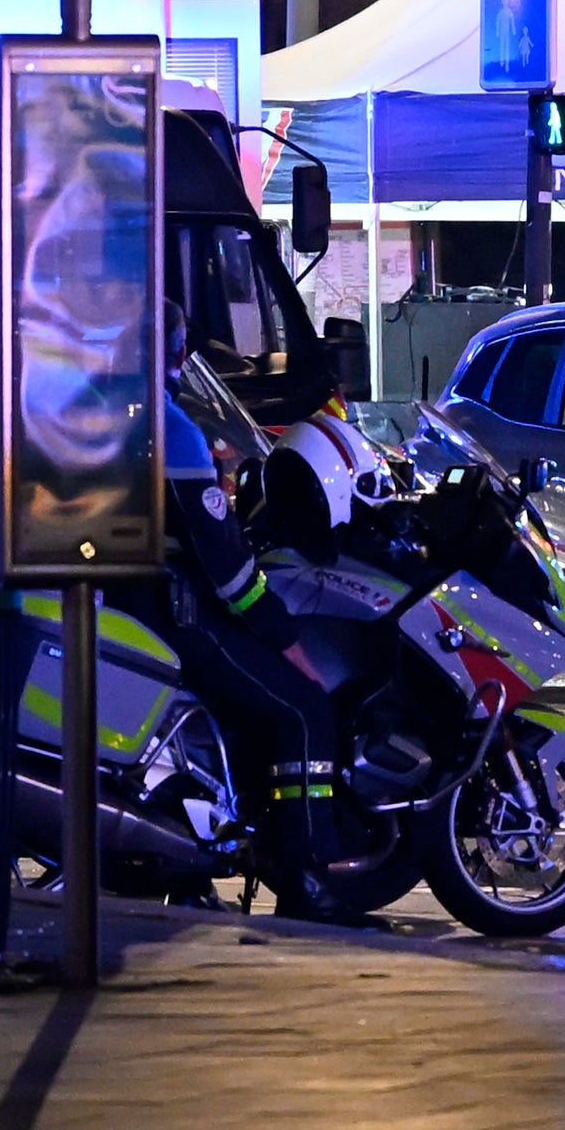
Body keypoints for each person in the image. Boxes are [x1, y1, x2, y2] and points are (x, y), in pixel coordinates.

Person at [150, 356, 367, 915]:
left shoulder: (112, 412)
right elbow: (228, 572)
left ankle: (193, 865)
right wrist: (284, 637)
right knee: (303, 711)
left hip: (137, 597)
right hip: (180, 607)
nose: (180, 364)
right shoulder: (171, 428)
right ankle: (303, 876)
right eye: (176, 350)